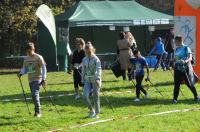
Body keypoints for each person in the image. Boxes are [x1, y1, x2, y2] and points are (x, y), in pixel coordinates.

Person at [18, 42, 47, 117]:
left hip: (38, 79)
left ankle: (38, 112)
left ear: (33, 49)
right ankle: (37, 110)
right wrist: (21, 73)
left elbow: (44, 68)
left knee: (34, 94)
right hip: (30, 80)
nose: (28, 53)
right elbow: (25, 69)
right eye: (27, 51)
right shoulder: (26, 59)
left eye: (29, 51)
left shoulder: (38, 57)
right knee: (34, 96)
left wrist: (44, 78)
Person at [172, 35, 199, 103]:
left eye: (175, 41)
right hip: (178, 68)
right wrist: (173, 60)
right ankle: (175, 99)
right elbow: (177, 58)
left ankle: (196, 96)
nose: (174, 42)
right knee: (176, 84)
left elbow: (190, 58)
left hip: (186, 68)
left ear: (179, 41)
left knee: (189, 83)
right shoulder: (177, 49)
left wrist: (185, 61)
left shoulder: (186, 48)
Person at [82, 42, 102, 118]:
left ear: (92, 49)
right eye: (86, 50)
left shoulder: (96, 59)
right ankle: (91, 110)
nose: (88, 51)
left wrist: (97, 78)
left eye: (89, 50)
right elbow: (83, 70)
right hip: (87, 80)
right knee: (84, 96)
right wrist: (82, 79)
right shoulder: (84, 59)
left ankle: (97, 114)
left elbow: (99, 69)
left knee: (96, 96)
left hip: (95, 80)